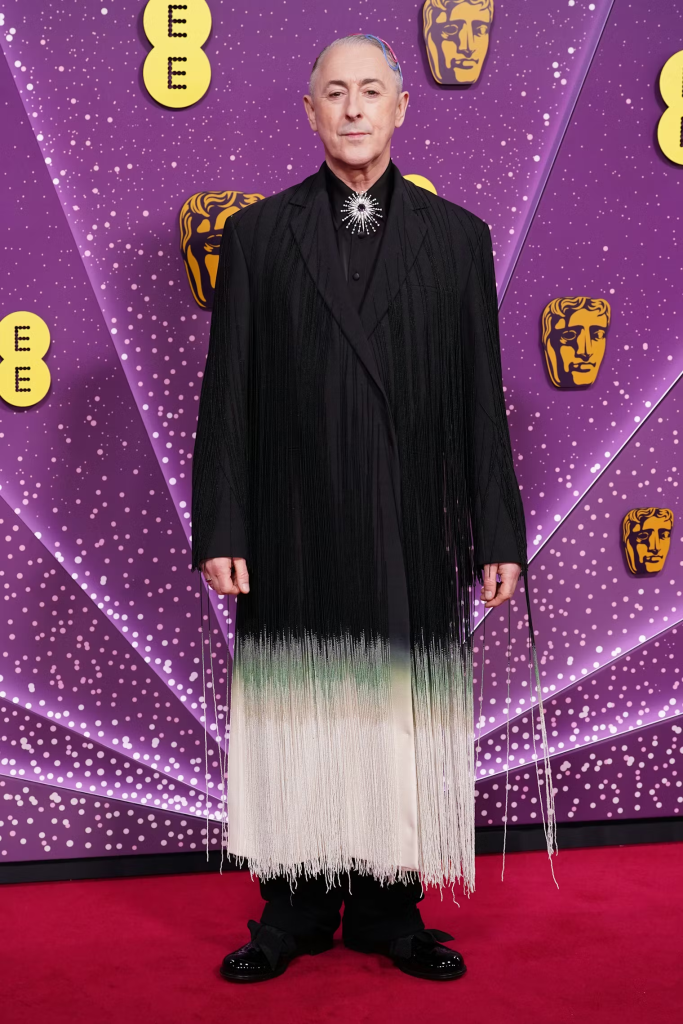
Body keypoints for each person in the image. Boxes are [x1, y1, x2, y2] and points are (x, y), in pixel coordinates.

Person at [191, 33, 529, 982]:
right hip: (292, 520)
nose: (351, 108)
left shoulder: (457, 238)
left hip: (409, 521)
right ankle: (292, 914)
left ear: (399, 108)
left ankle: (388, 912)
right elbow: (228, 394)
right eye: (333, 93)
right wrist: (221, 525)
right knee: (299, 712)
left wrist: (497, 533)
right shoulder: (259, 235)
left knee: (396, 716)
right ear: (309, 112)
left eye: (369, 91)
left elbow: (480, 396)